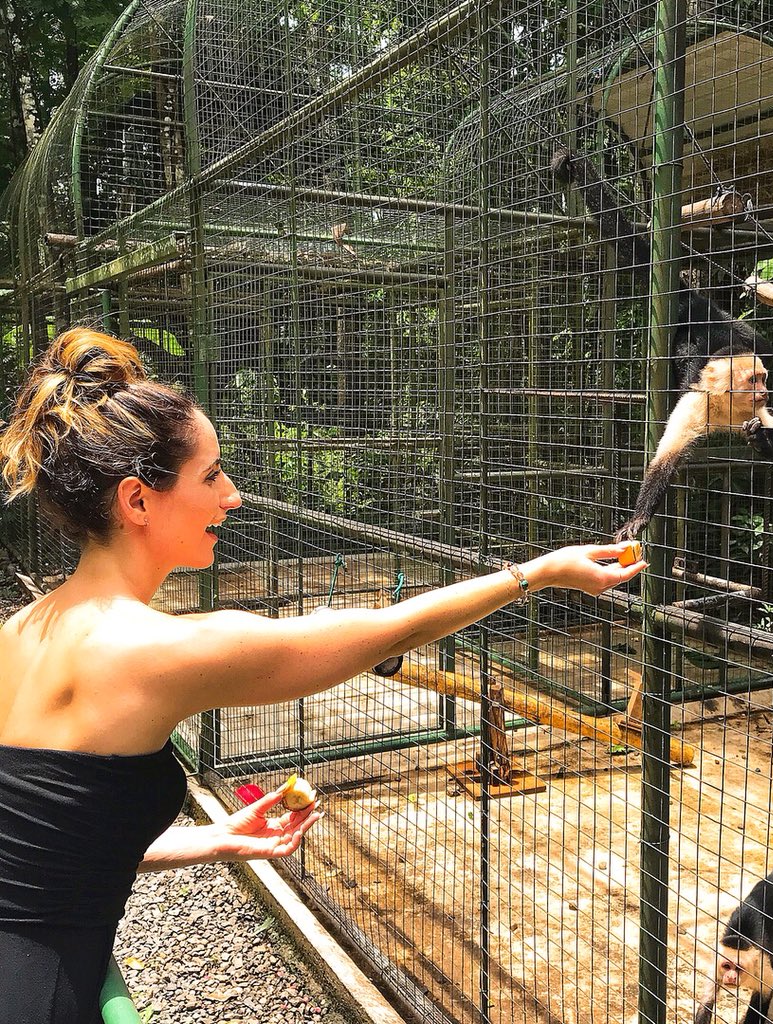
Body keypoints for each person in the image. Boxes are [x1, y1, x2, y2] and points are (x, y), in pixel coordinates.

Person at [0, 327, 646, 1023]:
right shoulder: (155, 650)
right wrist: (536, 573)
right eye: (212, 475)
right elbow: (392, 631)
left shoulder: (21, 631)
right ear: (137, 501)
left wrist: (211, 838)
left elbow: (37, 839)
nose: (234, 496)